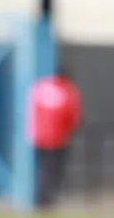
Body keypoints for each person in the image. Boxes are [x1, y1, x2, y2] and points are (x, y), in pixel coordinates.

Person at [28, 67, 82, 209]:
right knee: (54, 169)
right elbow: (72, 116)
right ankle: (47, 198)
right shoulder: (68, 91)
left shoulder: (40, 87)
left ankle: (40, 197)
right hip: (58, 138)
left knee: (42, 168)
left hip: (38, 137)